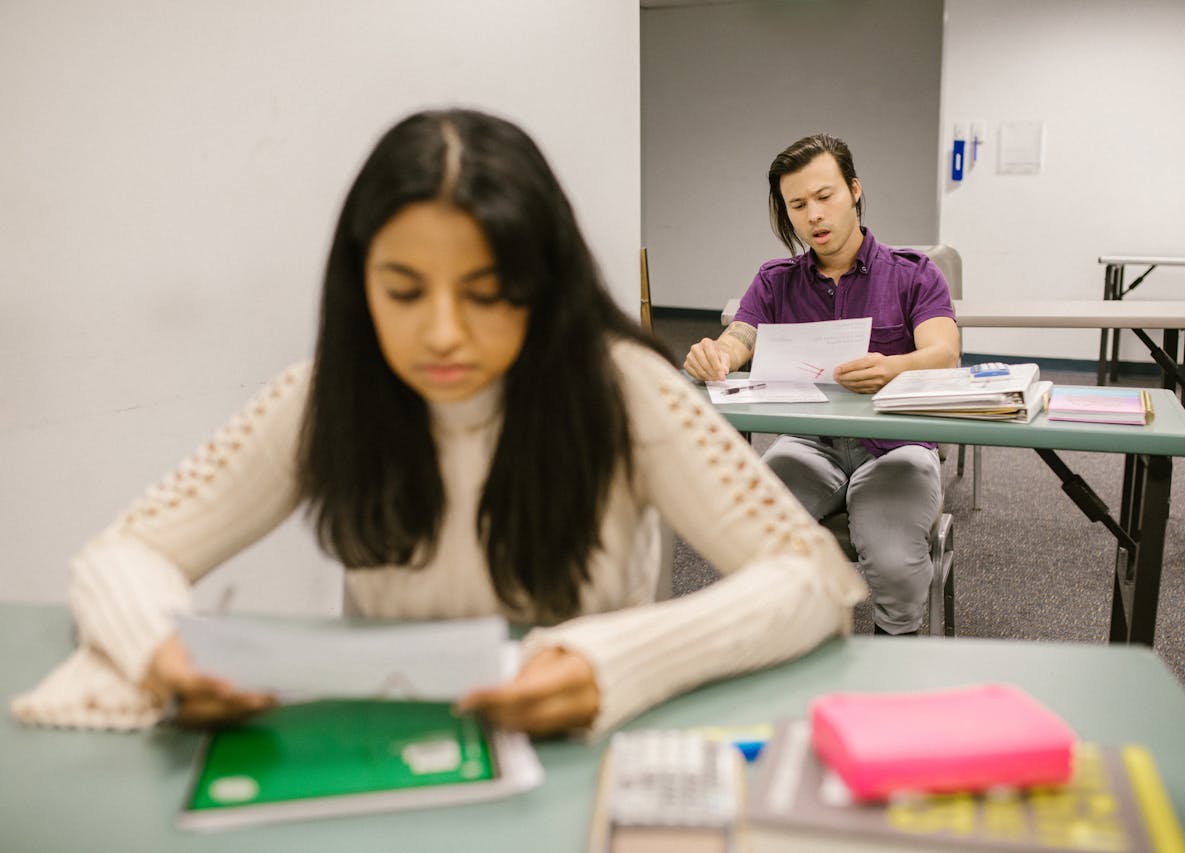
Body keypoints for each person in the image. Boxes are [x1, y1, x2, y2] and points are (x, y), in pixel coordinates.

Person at [12, 110, 866, 737]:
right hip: (396, 748)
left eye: (488, 292)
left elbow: (809, 576)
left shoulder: (622, 391)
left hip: (574, 754)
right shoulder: (325, 396)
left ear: (544, 281)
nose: (445, 332)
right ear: (361, 285)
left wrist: (615, 661)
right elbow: (126, 551)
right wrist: (163, 650)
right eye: (405, 291)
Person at [684, 133, 959, 636]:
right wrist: (714, 356)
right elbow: (737, 341)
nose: (813, 215)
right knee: (750, 541)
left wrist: (894, 367)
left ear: (854, 190)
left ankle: (893, 659)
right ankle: (791, 648)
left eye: (825, 196)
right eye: (798, 205)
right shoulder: (774, 281)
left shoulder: (913, 275)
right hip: (810, 445)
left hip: (896, 446)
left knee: (895, 566)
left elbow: (944, 353)